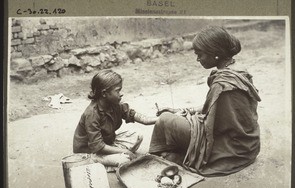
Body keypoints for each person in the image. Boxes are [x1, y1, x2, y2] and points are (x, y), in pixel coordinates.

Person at [149, 26, 261, 176]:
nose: (197, 59)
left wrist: (190, 119)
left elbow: (214, 127)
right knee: (178, 118)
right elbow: (219, 109)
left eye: (199, 54)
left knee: (165, 120)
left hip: (231, 149)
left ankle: (167, 157)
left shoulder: (223, 84)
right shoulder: (239, 71)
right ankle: (178, 153)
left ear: (215, 54)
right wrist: (187, 111)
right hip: (248, 145)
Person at [73, 69, 157, 170]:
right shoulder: (92, 114)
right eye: (117, 90)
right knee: (124, 160)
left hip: (106, 142)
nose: (121, 94)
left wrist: (160, 118)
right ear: (104, 93)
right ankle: (95, 161)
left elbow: (142, 119)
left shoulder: (114, 105)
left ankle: (113, 154)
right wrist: (125, 151)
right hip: (90, 150)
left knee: (137, 137)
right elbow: (98, 146)